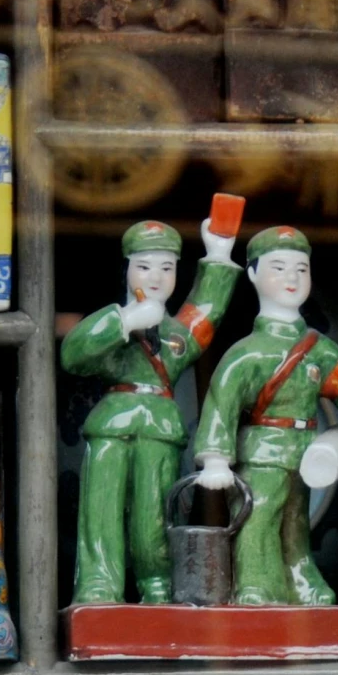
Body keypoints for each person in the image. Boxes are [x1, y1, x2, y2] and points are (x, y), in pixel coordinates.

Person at [192, 224, 338, 606]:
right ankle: (255, 584)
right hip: (263, 450)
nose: (292, 278)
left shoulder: (319, 349)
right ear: (253, 274)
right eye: (279, 268)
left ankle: (300, 579)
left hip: (304, 450)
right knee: (258, 516)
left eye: (301, 269)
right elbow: (222, 403)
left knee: (296, 523)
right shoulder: (247, 352)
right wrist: (215, 458)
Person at [63, 215, 239, 605]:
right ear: (126, 269)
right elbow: (73, 353)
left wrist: (218, 254)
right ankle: (98, 583)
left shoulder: (177, 335)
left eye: (167, 267)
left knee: (155, 514)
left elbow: (206, 312)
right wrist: (123, 321)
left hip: (159, 425)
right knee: (100, 511)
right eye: (144, 267)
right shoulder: (115, 323)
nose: (155, 277)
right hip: (112, 423)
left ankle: (157, 582)